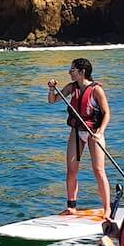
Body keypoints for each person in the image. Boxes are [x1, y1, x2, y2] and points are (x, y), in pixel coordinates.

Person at [46, 57, 112, 216]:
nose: (69, 72)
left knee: (98, 170)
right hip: (76, 132)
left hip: (94, 132)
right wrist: (51, 89)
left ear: (82, 72)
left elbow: (106, 113)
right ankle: (71, 207)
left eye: (72, 70)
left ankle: (107, 208)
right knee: (71, 170)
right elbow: (52, 100)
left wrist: (100, 132)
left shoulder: (96, 90)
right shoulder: (71, 87)